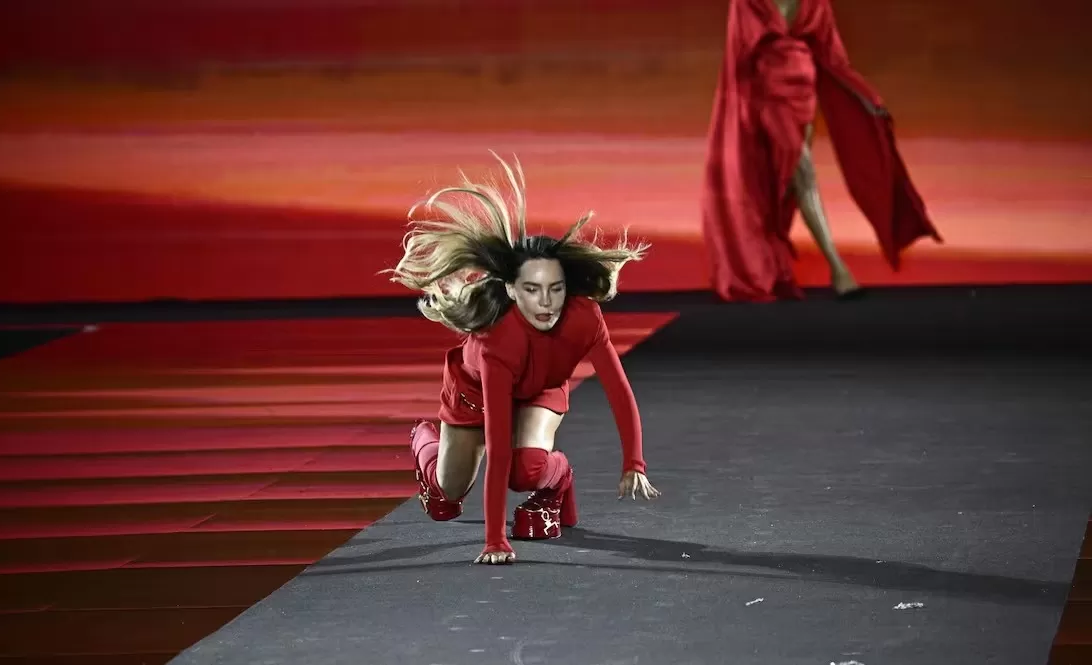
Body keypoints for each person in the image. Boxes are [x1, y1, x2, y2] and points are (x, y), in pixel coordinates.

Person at [384, 154, 661, 565]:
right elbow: (496, 444)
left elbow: (619, 390)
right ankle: (426, 438)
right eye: (532, 289)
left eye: (556, 289)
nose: (546, 303)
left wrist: (634, 461)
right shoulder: (498, 340)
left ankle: (557, 480)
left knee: (526, 470)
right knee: (447, 497)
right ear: (512, 290)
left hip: (540, 386)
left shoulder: (585, 317)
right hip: (476, 392)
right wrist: (495, 539)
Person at [701, 0, 942, 302]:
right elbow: (740, 55)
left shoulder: (816, 3)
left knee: (788, 181)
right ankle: (838, 268)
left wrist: (865, 97)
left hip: (803, 94)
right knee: (803, 172)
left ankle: (772, 262)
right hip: (767, 95)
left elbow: (832, 55)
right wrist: (743, 113)